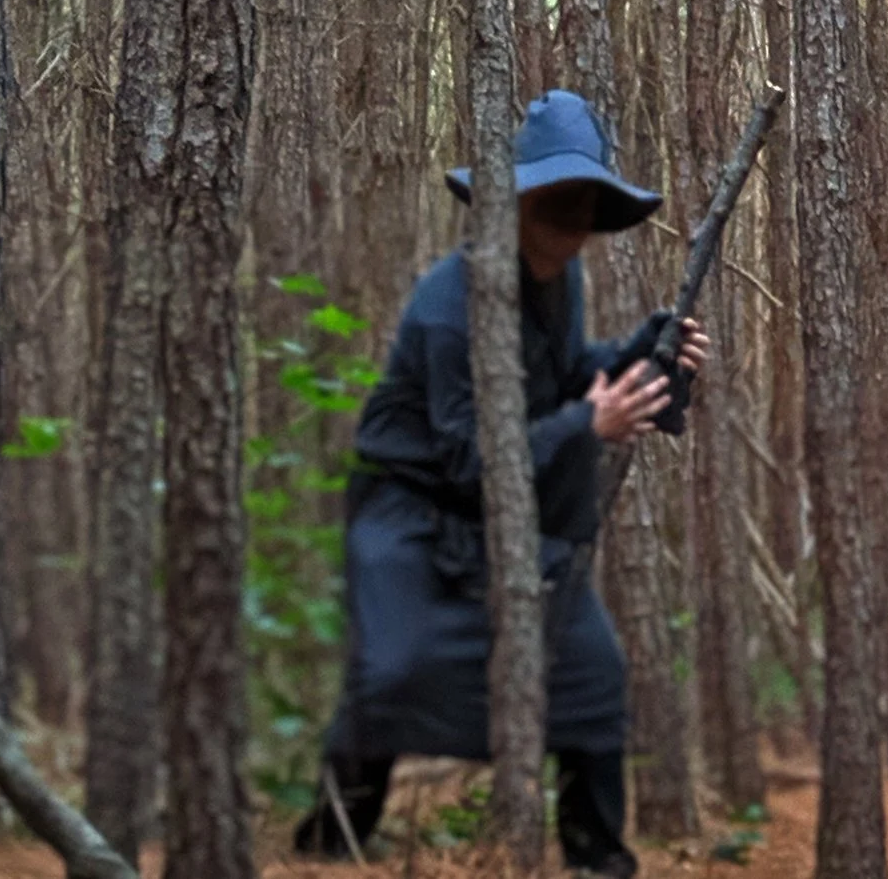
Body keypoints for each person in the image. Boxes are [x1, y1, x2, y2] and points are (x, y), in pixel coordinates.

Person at [293, 90, 711, 877]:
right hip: (410, 514)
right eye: (555, 199)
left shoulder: (563, 279)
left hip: (511, 518)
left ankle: (598, 861)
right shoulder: (448, 305)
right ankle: (329, 843)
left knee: (593, 676)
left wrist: (643, 355)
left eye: (585, 202)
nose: (571, 220)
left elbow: (563, 378)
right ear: (514, 201)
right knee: (392, 673)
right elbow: (469, 454)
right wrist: (585, 426)